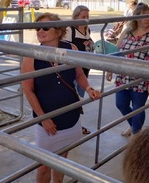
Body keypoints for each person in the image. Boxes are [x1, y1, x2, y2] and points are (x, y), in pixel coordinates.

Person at [21, 12, 101, 183]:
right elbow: (28, 91)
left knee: (61, 161)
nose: (40, 31)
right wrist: (44, 118)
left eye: (45, 27)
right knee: (43, 167)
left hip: (70, 115)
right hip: (47, 120)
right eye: (37, 28)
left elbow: (79, 74)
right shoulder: (31, 56)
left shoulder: (70, 49)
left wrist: (88, 88)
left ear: (58, 30)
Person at [106, 2, 149, 137]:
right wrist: (109, 69)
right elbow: (116, 51)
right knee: (121, 104)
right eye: (144, 16)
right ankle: (134, 127)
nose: (147, 18)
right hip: (123, 76)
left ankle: (136, 134)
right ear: (136, 17)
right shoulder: (127, 32)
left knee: (138, 107)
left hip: (143, 77)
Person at [63, 5, 94, 134]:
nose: (85, 19)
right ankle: (70, 126)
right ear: (76, 17)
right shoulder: (70, 30)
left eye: (87, 16)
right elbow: (64, 47)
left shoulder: (88, 30)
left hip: (84, 69)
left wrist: (90, 44)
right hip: (72, 69)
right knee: (70, 98)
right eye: (83, 17)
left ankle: (75, 126)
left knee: (79, 98)